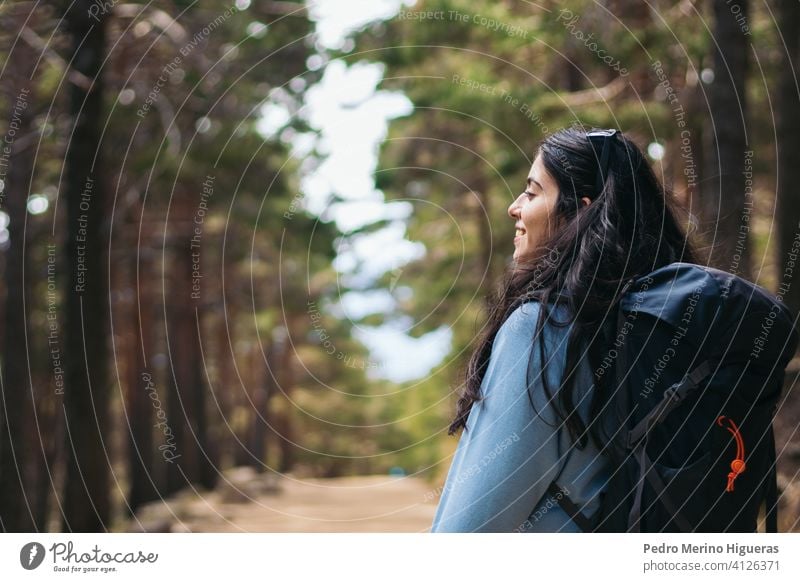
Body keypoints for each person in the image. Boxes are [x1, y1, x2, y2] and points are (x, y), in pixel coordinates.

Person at [430, 126, 702, 532]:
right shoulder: (671, 326)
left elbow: (468, 528)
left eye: (533, 191)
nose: (514, 207)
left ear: (581, 211)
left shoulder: (543, 329)